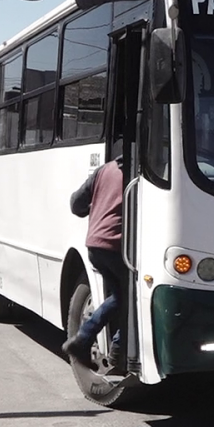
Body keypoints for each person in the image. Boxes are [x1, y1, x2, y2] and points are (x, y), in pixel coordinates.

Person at [62, 149, 126, 373]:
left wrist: (97, 207)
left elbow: (76, 204)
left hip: (95, 245)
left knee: (120, 296)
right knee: (130, 297)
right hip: (115, 246)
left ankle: (95, 343)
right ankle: (95, 342)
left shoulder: (104, 170)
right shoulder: (140, 176)